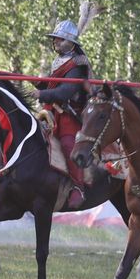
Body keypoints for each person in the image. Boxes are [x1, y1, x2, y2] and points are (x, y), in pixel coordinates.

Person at [33, 19, 93, 209]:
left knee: (69, 146)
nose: (55, 42)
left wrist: (41, 93)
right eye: (55, 39)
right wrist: (40, 84)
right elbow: (54, 85)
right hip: (50, 112)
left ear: (70, 42)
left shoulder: (77, 63)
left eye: (59, 39)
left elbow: (66, 91)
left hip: (69, 114)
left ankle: (78, 186)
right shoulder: (59, 60)